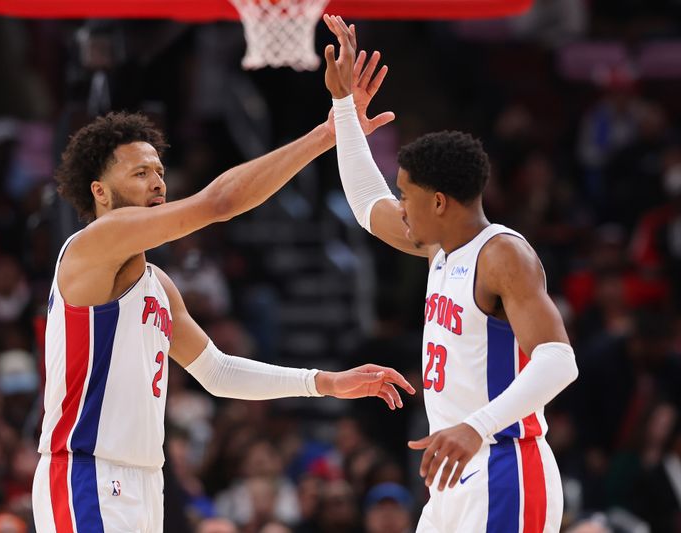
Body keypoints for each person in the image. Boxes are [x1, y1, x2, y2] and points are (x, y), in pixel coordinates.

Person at [31, 54, 414, 533]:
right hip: (86, 473)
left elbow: (216, 370)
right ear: (100, 192)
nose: (157, 183)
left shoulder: (158, 285)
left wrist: (323, 382)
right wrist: (327, 132)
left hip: (145, 481)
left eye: (158, 171)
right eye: (139, 174)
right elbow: (220, 203)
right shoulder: (93, 245)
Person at [322, 14, 579, 532]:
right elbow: (367, 204)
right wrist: (343, 106)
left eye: (407, 196)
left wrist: (475, 427)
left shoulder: (502, 255)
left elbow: (559, 362)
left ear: (438, 202)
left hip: (504, 464)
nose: (399, 206)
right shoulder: (442, 246)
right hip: (452, 475)